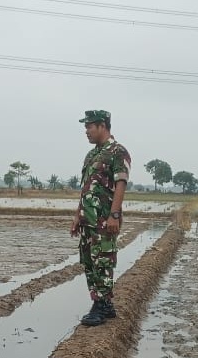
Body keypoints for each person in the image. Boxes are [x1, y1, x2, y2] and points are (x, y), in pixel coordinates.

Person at [72, 110, 131, 326]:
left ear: (102, 126)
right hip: (87, 220)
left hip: (104, 220)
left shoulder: (117, 151)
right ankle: (105, 304)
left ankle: (100, 305)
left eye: (89, 127)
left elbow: (120, 184)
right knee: (89, 261)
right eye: (86, 127)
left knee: (103, 261)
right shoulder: (91, 155)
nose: (86, 132)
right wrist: (77, 215)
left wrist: (114, 214)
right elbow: (86, 189)